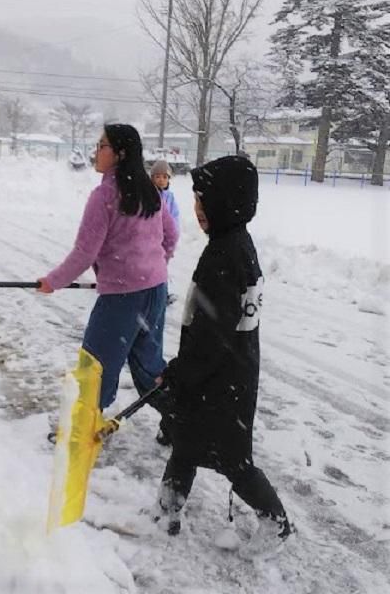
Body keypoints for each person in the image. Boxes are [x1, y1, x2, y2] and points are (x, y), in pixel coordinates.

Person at [155, 155, 293, 550]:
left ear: (227, 202)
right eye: (196, 200)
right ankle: (167, 509)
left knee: (235, 460)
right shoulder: (235, 244)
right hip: (226, 372)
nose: (198, 209)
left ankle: (276, 522)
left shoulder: (224, 257)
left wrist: (181, 371)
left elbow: (212, 334)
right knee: (186, 441)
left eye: (204, 200)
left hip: (222, 378)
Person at [37, 124, 179, 418]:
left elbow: (84, 253)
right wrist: (154, 263)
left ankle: (82, 431)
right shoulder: (150, 192)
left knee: (96, 365)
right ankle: (180, 421)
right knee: (148, 364)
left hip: (122, 298)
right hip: (155, 290)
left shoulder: (104, 196)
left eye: (102, 146)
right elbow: (172, 234)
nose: (96, 151)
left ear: (119, 154)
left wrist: (53, 282)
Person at [150, 160, 181, 309]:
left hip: (165, 240)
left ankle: (162, 294)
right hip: (151, 240)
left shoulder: (170, 198)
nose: (161, 180)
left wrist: (172, 235)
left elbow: (175, 217)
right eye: (157, 177)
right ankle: (152, 294)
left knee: (161, 268)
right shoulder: (149, 195)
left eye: (164, 177)